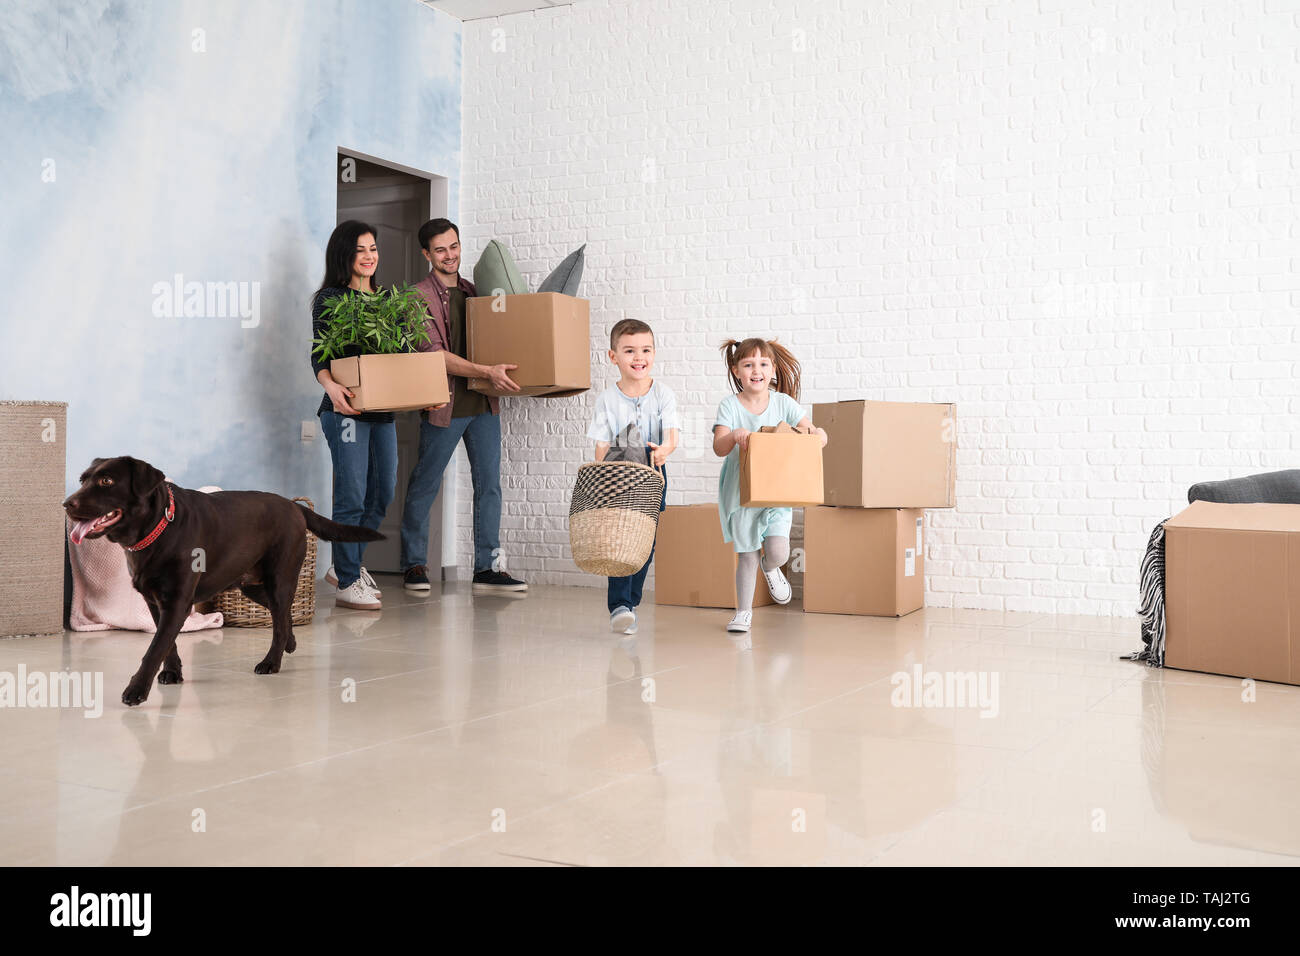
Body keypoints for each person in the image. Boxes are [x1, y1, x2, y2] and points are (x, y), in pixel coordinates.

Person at [400, 218, 528, 594]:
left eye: (454, 246)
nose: (450, 255)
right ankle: (414, 565)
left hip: (483, 405)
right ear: (427, 254)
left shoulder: (475, 292)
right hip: (445, 405)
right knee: (425, 484)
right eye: (440, 249)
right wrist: (486, 370)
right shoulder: (415, 298)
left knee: (489, 485)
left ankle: (487, 569)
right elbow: (435, 355)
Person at [712, 337, 827, 634]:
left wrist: (818, 434)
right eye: (748, 364)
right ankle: (743, 612)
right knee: (747, 554)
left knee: (777, 551)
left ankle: (771, 567)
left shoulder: (783, 403)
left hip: (778, 490)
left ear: (773, 369)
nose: (756, 370)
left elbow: (808, 430)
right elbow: (719, 447)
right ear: (737, 371)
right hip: (742, 493)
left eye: (763, 364)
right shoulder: (729, 406)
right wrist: (733, 435)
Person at [311, 220, 395, 610]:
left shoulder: (388, 300)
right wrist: (330, 386)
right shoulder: (330, 298)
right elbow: (321, 355)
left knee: (383, 492)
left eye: (373, 248)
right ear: (344, 254)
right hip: (344, 412)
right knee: (351, 495)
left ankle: (347, 565)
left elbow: (400, 358)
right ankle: (346, 578)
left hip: (382, 411)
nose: (369, 256)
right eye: (360, 249)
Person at [588, 319, 679, 634]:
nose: (638, 357)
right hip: (618, 470)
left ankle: (631, 599)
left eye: (645, 350)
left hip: (653, 469)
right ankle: (619, 606)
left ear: (654, 353)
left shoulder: (663, 394)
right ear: (613, 357)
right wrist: (604, 476)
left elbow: (672, 435)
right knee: (620, 540)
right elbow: (601, 444)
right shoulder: (607, 399)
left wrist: (665, 449)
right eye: (629, 351)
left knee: (646, 541)